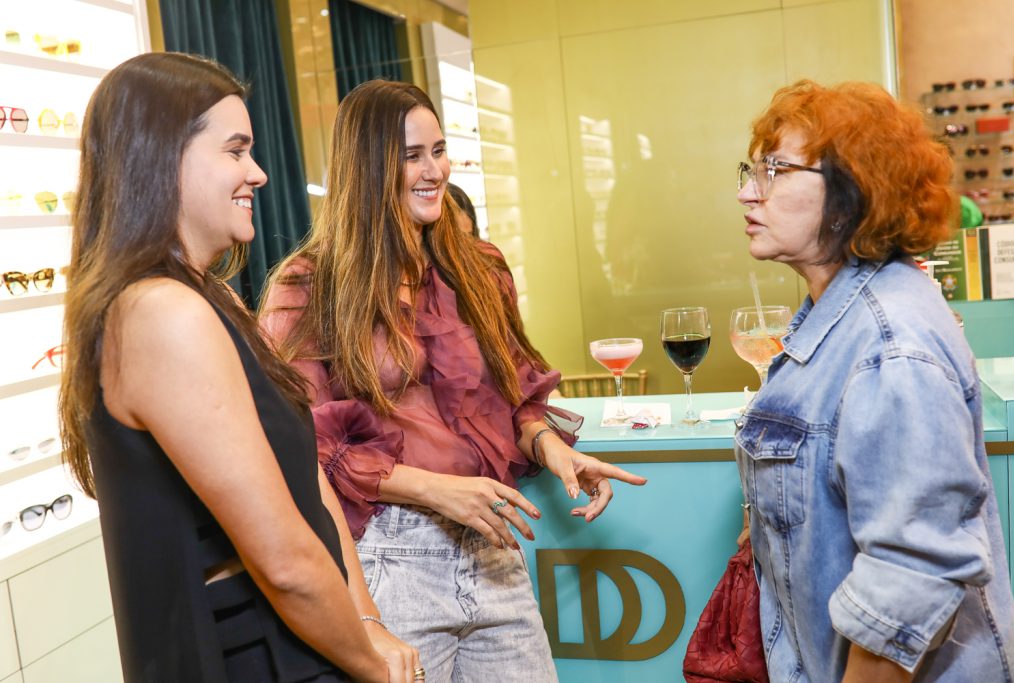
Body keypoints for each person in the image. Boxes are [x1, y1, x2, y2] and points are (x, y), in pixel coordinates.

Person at [259, 79, 647, 681]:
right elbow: (303, 447)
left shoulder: (479, 267)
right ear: (368, 168)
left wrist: (554, 449)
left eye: (438, 151)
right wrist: (437, 490)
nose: (434, 170)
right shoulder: (310, 285)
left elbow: (514, 399)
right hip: (390, 560)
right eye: (412, 156)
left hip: (492, 549)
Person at [58, 53, 421, 682]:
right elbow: (283, 562)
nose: (258, 172)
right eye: (235, 151)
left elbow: (306, 481)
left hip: (305, 640)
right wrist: (372, 665)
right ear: (162, 159)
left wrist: (365, 621)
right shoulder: (161, 313)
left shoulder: (211, 297)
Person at [735, 79, 1014, 682]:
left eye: (774, 170)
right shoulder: (839, 314)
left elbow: (911, 577)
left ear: (851, 195)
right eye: (751, 170)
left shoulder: (891, 344)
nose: (747, 192)